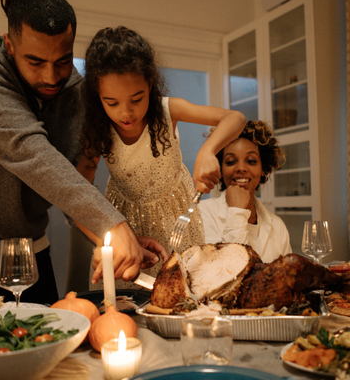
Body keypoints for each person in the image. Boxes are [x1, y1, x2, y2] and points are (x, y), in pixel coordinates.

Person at [0, 0, 167, 304]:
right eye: (35, 62)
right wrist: (113, 223)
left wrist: (118, 238)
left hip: (33, 251)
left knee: (51, 350)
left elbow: (67, 182)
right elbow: (27, 151)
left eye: (63, 61)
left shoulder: (77, 91)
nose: (51, 77)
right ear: (9, 46)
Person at [77, 26, 247, 288]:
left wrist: (208, 150)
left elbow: (235, 118)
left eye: (137, 98)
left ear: (150, 84)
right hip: (124, 223)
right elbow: (77, 195)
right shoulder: (97, 130)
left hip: (178, 222)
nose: (126, 112)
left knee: (182, 297)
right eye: (112, 103)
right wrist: (105, 239)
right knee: (126, 303)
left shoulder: (169, 110)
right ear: (97, 96)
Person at [198, 120, 292, 263]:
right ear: (220, 169)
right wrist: (237, 211)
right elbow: (223, 275)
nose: (241, 168)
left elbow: (287, 279)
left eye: (251, 161)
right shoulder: (202, 215)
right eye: (230, 162)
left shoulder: (277, 226)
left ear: (263, 170)